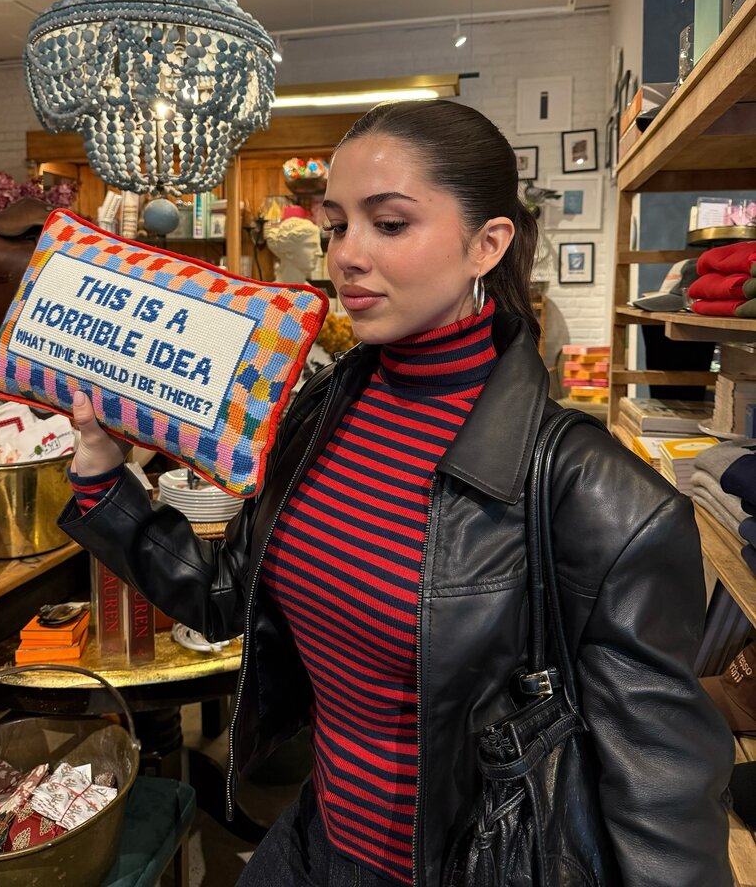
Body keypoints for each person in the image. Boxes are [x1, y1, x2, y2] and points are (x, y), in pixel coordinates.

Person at [61, 100, 733, 887]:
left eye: (388, 224)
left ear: (487, 244)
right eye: (337, 225)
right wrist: (102, 475)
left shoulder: (599, 498)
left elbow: (662, 804)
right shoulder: (319, 414)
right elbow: (226, 597)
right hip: (312, 842)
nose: (347, 254)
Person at [266, 216, 323, 283]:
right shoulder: (272, 290)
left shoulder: (309, 289)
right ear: (289, 252)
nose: (320, 252)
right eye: (311, 245)